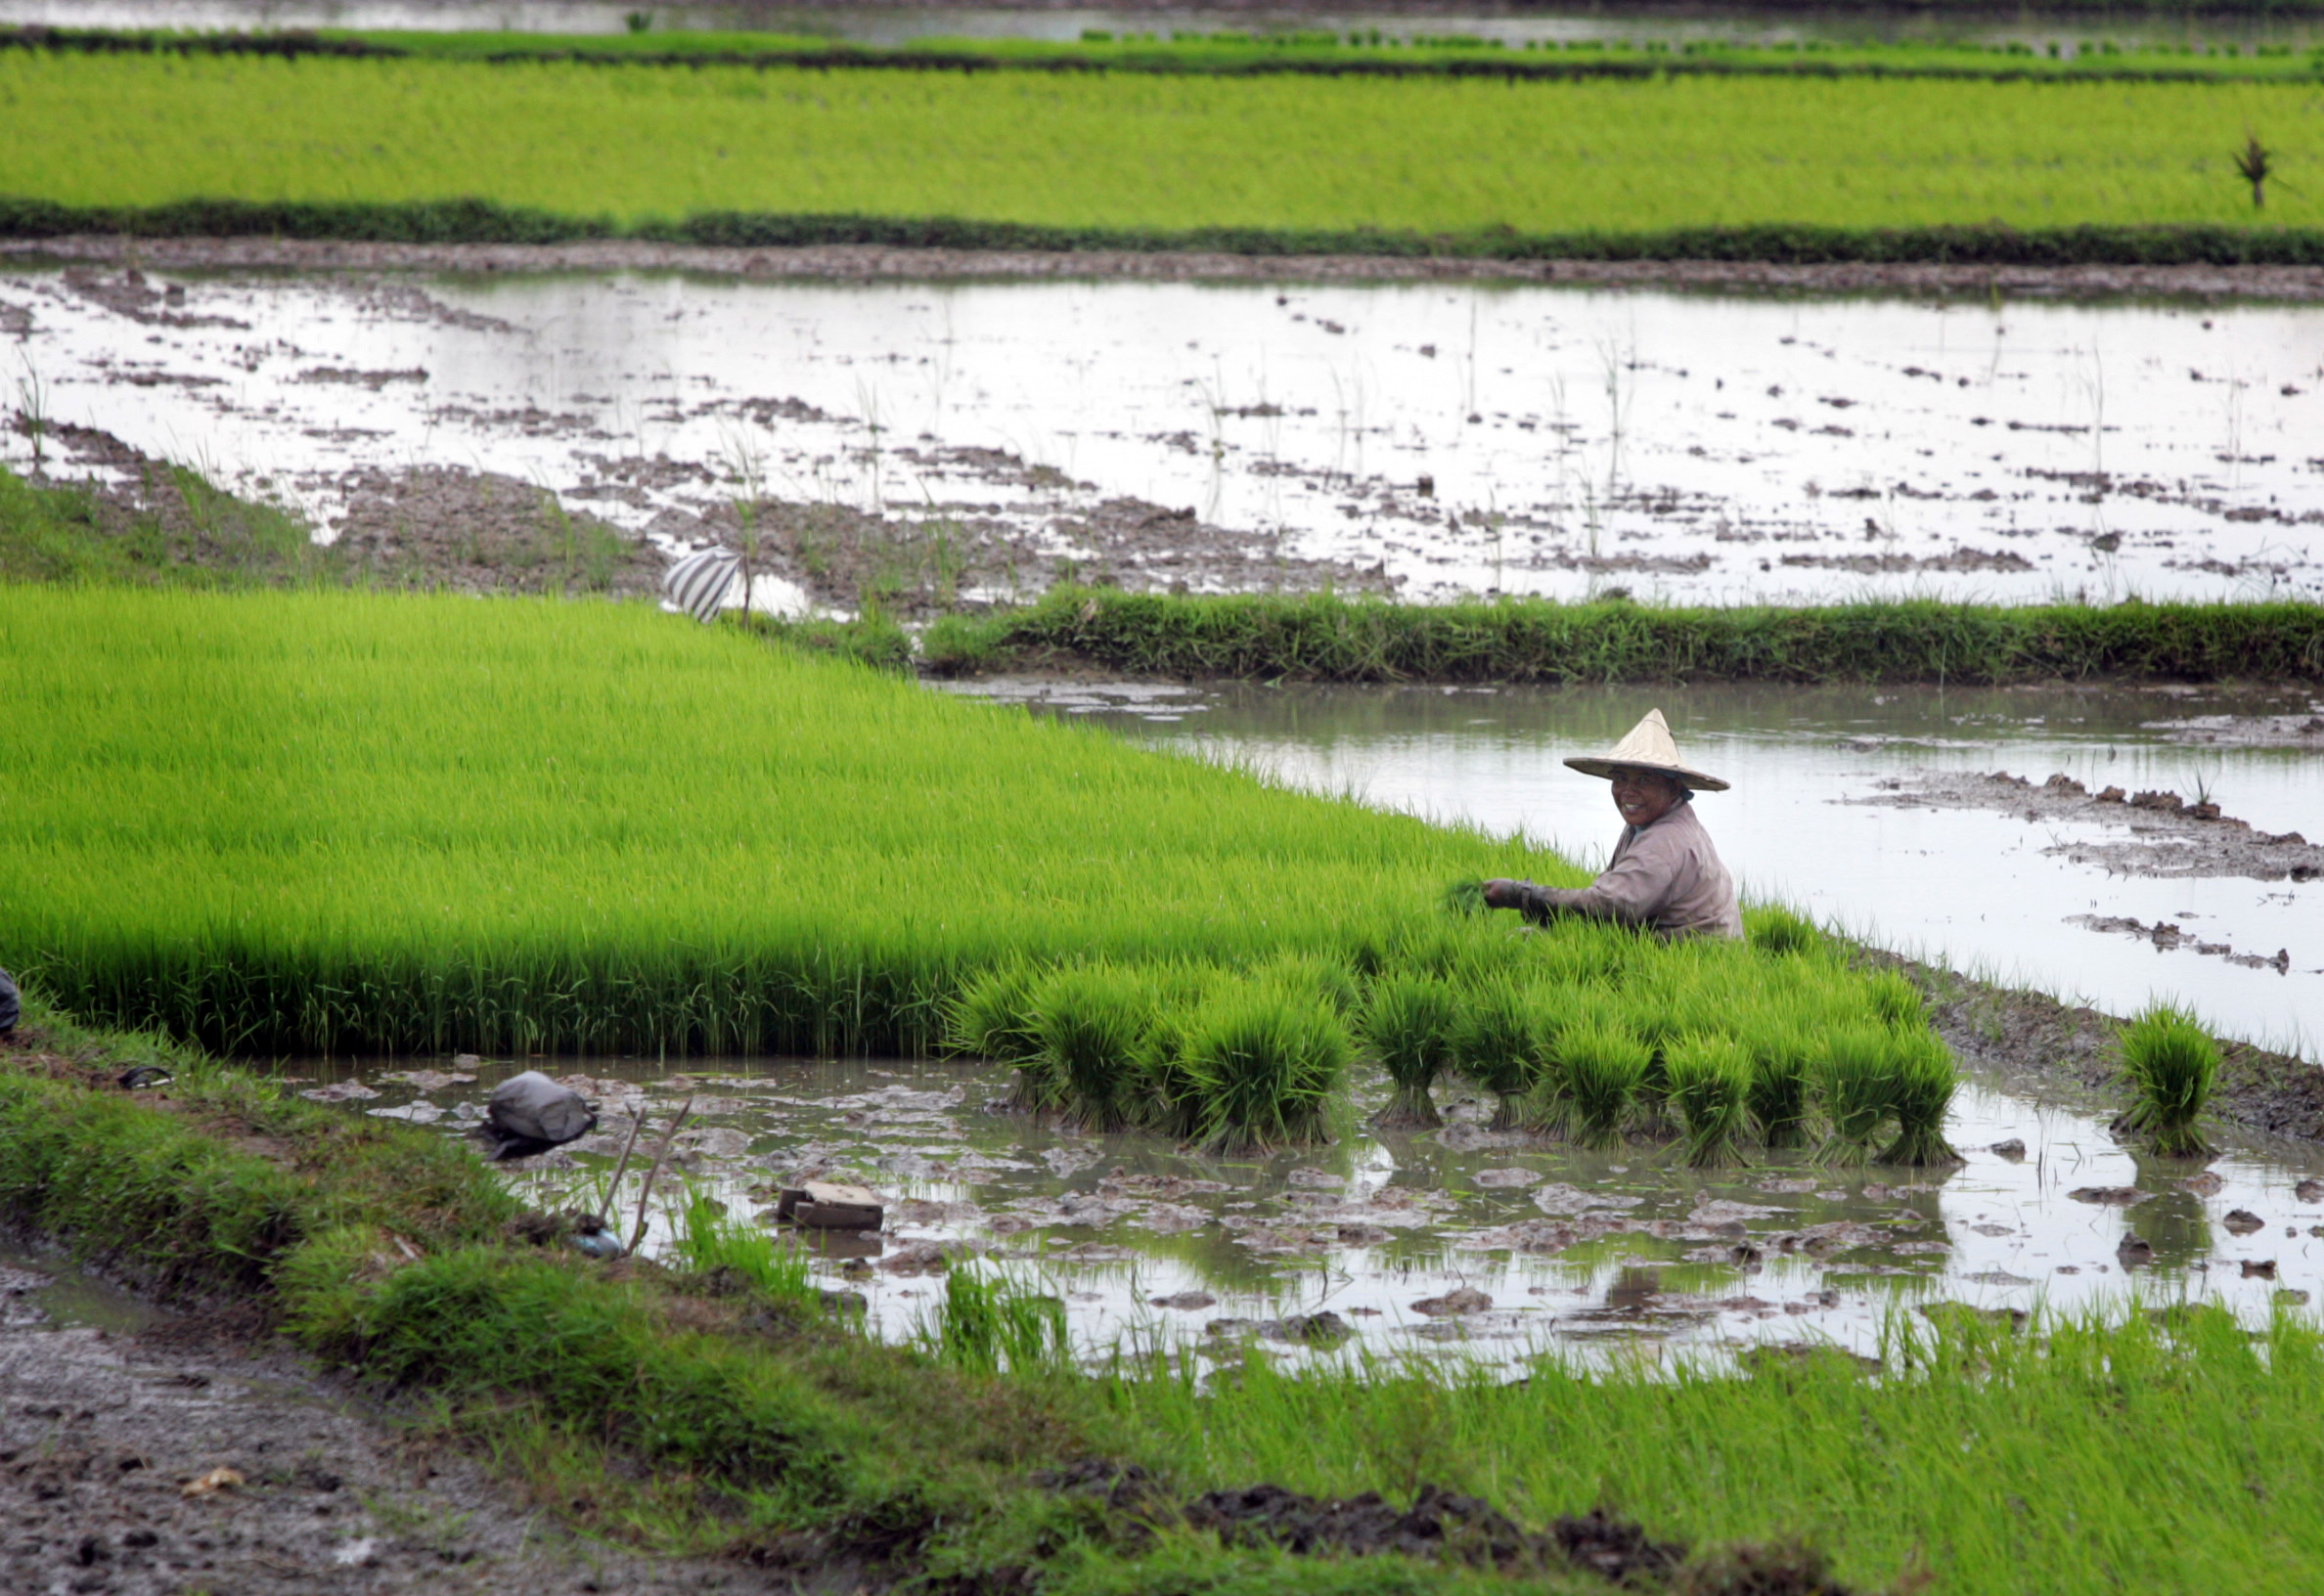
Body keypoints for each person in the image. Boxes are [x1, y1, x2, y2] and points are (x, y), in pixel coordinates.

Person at [1480, 708, 1742, 940]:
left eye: (1643, 781)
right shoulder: (1647, 824)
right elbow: (1609, 898)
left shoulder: (1664, 842)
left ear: (1673, 786)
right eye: (1620, 779)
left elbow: (1612, 906)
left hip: (1692, 960)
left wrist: (1521, 894)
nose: (1627, 791)